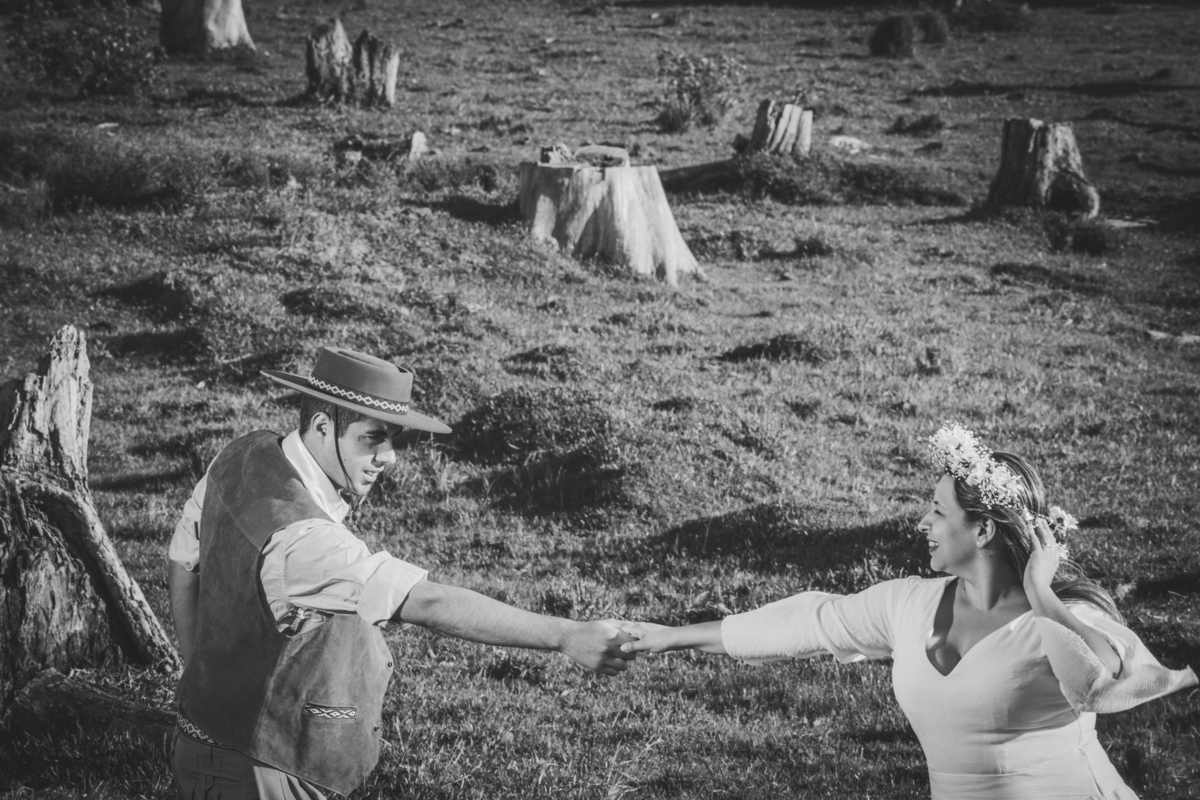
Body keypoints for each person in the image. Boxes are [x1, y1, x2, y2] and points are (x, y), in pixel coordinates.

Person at [621, 423, 1197, 800]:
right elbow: (805, 622)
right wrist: (669, 636)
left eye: (938, 511)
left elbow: (1096, 685)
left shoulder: (1066, 614)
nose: (923, 521)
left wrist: (1041, 593)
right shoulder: (909, 602)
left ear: (984, 530)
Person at [167, 347, 637, 800]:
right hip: (257, 772)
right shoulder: (308, 542)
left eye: (393, 438)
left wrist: (199, 680)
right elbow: (428, 602)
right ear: (322, 426)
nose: (389, 456)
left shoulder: (242, 453)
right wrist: (565, 635)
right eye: (372, 437)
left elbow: (184, 562)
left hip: (212, 746)